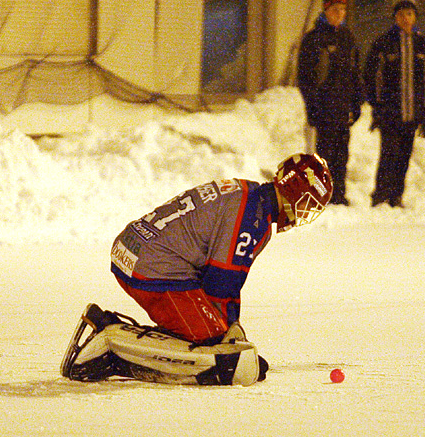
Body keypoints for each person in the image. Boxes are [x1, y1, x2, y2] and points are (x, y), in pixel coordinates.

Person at [61, 153, 333, 386]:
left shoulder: (248, 193)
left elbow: (221, 280)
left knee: (221, 343)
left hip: (136, 250)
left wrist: (231, 328)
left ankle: (118, 336)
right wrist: (227, 336)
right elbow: (221, 283)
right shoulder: (254, 217)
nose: (306, 213)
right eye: (308, 203)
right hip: (154, 267)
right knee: (219, 358)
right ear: (293, 190)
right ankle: (112, 344)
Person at [363, 0, 425, 208]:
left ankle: (397, 196)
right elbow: (371, 77)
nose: (405, 18)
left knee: (404, 156)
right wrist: (377, 108)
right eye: (401, 14)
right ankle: (380, 196)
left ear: (415, 17)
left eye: (409, 14)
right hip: (390, 113)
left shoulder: (423, 45)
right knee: (388, 155)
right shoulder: (383, 44)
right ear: (395, 18)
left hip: (412, 113)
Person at [297, 0, 363, 206]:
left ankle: (339, 193)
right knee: (323, 154)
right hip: (323, 107)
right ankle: (320, 194)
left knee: (342, 153)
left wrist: (357, 102)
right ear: (325, 11)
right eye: (335, 10)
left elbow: (355, 73)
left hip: (343, 107)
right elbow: (304, 77)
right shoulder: (313, 39)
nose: (340, 15)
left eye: (343, 11)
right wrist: (312, 106)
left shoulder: (348, 37)